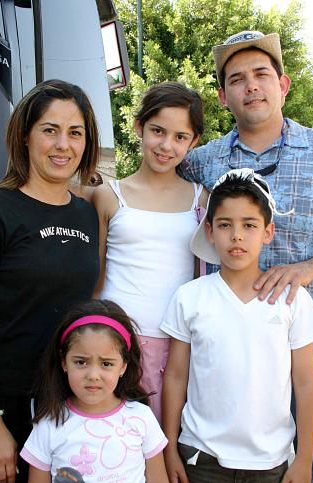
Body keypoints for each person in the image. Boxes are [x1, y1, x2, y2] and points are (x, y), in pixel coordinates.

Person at [180, 30, 313, 483]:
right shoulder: (202, 162)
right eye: (237, 79)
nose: (251, 87)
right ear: (223, 96)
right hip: (226, 355)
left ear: (283, 84)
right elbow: (151, 191)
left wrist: (307, 270)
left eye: (262, 75)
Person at [0, 79, 101, 483]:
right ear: (25, 135)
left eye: (75, 132)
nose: (63, 145)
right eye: (50, 130)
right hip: (1, 410)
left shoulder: (86, 212)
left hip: (64, 414)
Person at [161, 169, 313, 483]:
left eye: (249, 225)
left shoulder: (291, 300)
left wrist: (305, 459)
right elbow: (175, 376)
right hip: (201, 462)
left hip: (270, 468)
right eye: (224, 225)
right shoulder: (190, 297)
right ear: (209, 231)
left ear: (268, 232)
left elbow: (307, 383)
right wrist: (169, 448)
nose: (236, 235)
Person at [93, 82, 208, 422]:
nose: (166, 145)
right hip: (116, 339)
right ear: (139, 127)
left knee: (167, 444)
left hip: (179, 344)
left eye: (180, 137)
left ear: (193, 141)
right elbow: (95, 276)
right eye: (158, 131)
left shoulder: (201, 199)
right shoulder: (108, 197)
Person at [21, 299, 174, 483]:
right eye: (81, 362)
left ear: (123, 366)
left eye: (106, 363)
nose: (93, 374)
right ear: (64, 362)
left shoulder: (141, 418)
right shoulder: (49, 424)